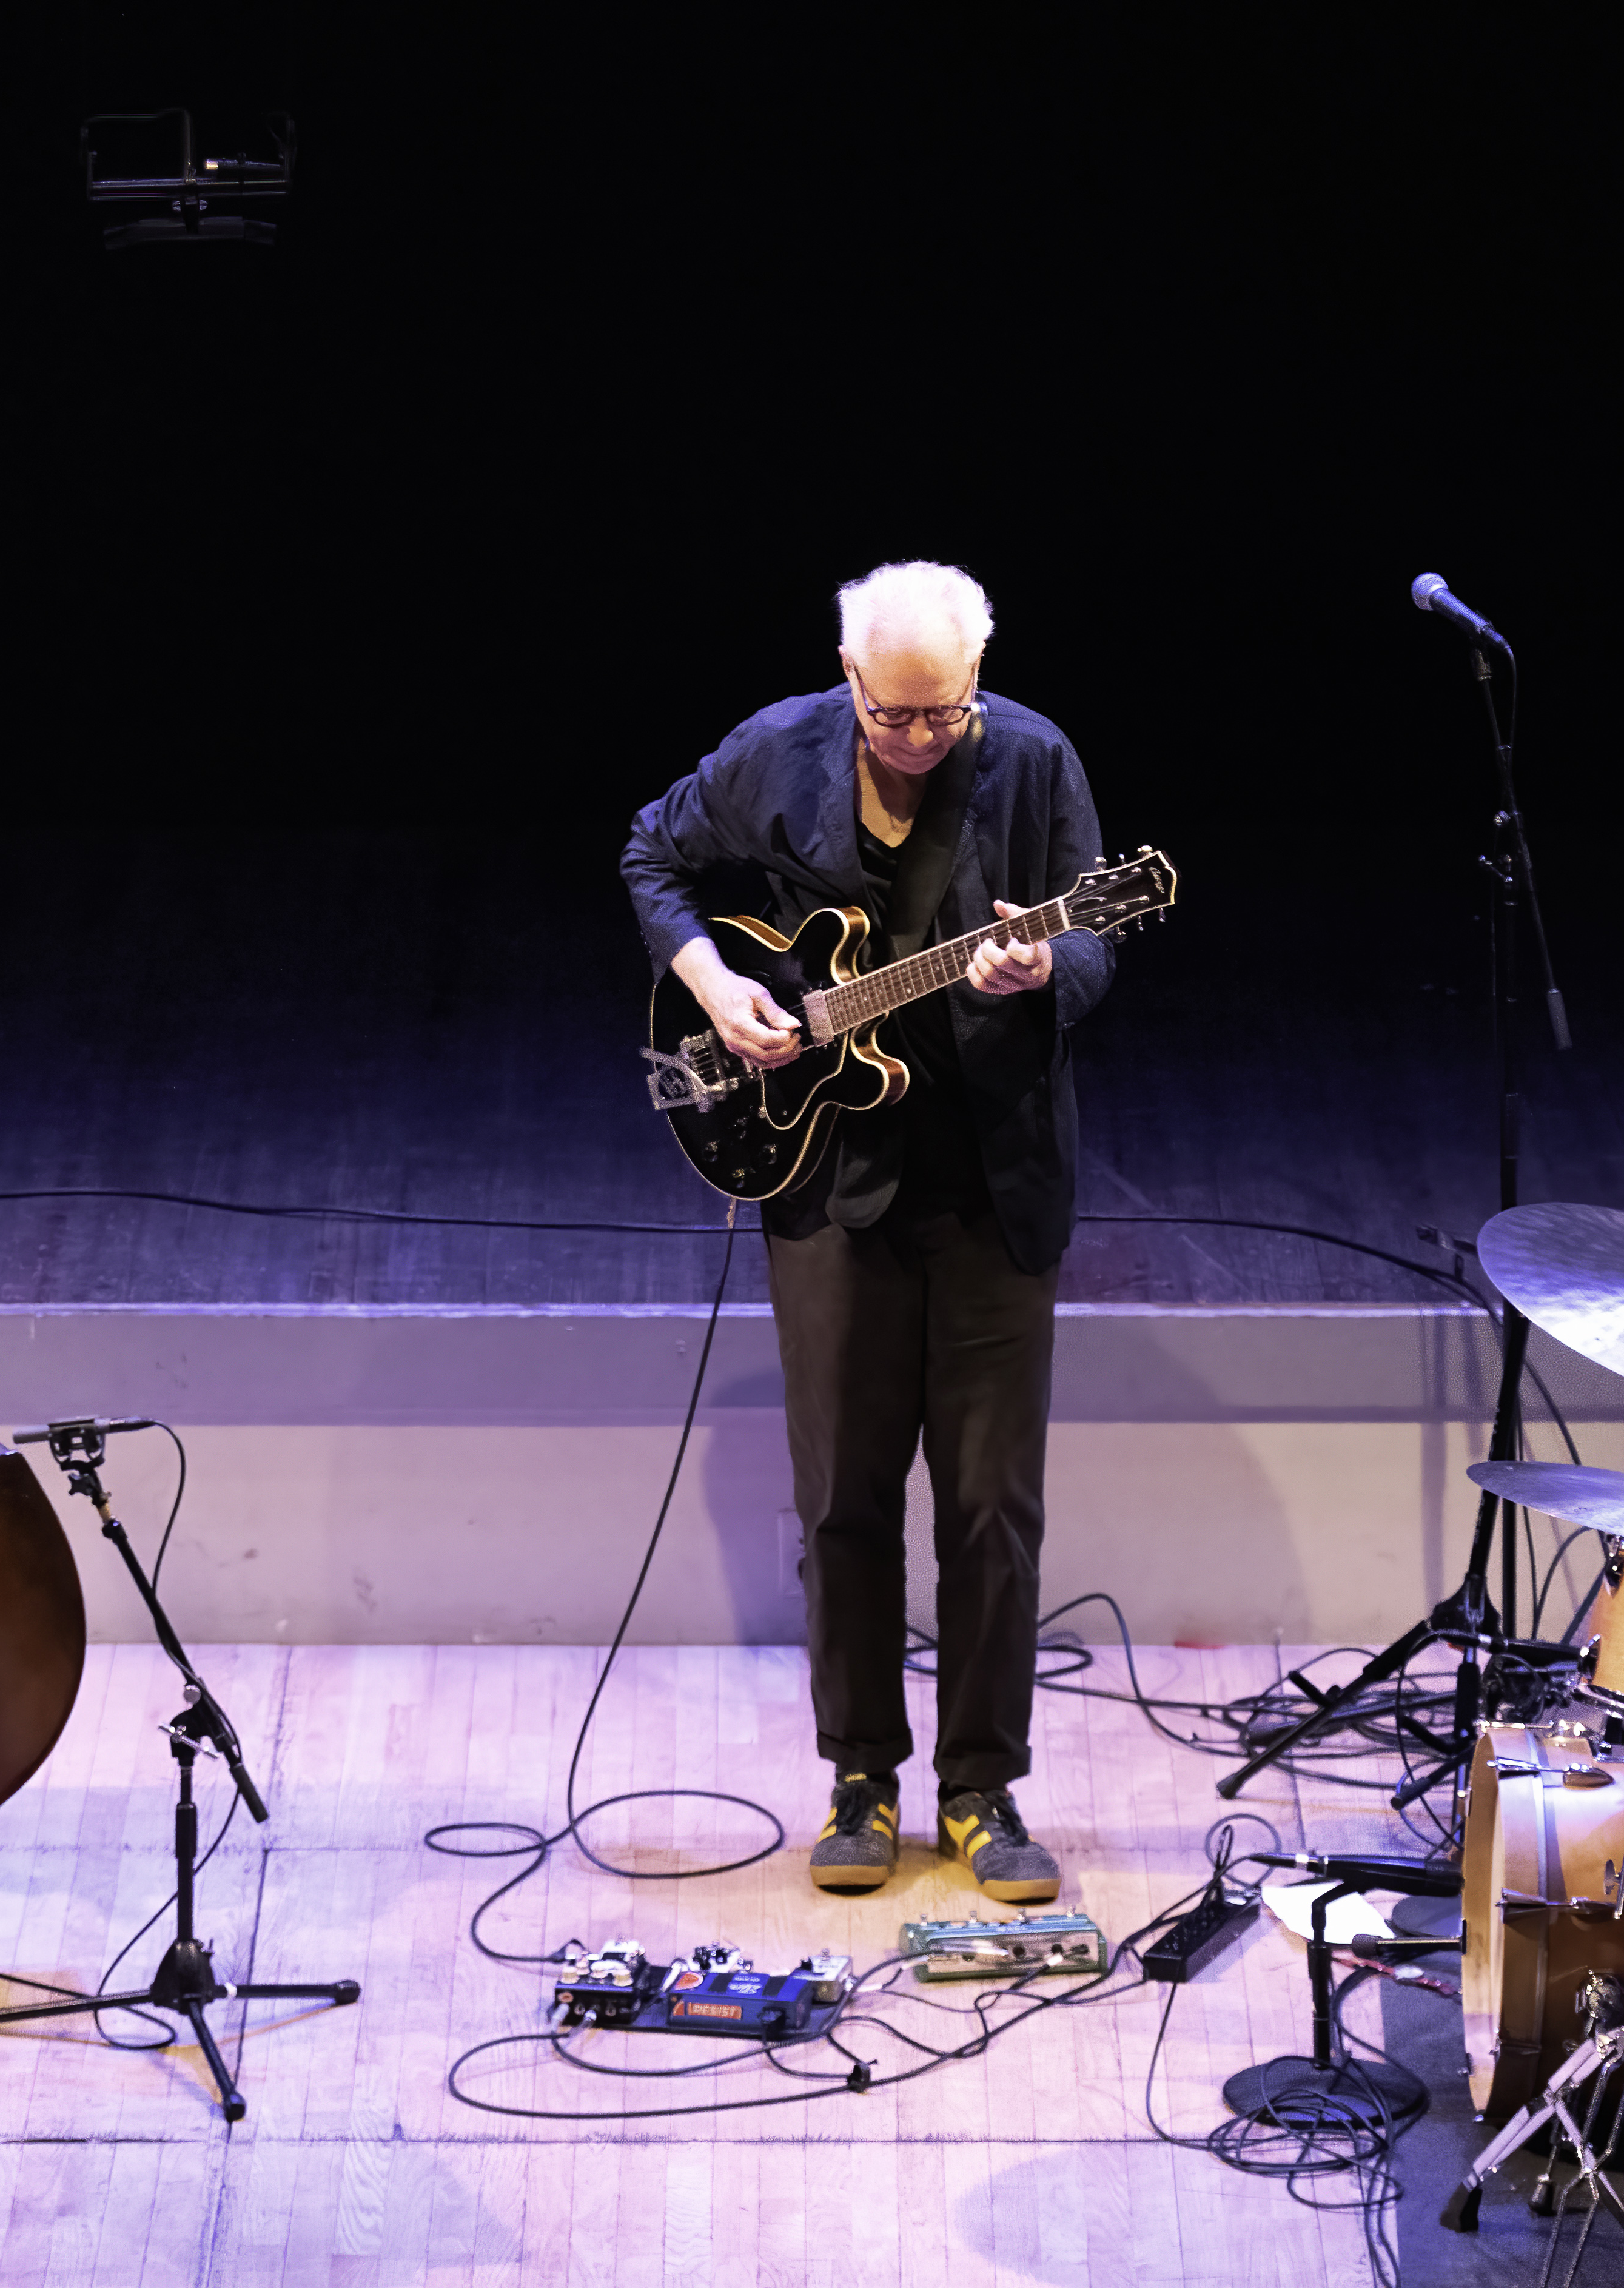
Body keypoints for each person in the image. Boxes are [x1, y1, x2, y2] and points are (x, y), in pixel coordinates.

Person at [619, 560, 1115, 1904]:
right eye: (893, 716)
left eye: (942, 715)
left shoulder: (1032, 761)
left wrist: (1043, 965)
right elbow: (650, 854)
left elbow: (1095, 943)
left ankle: (981, 1789)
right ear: (849, 680)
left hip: (993, 1190)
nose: (916, 740)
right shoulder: (774, 751)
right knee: (842, 1501)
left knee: (992, 1510)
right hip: (824, 1180)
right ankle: (858, 1775)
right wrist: (715, 985)